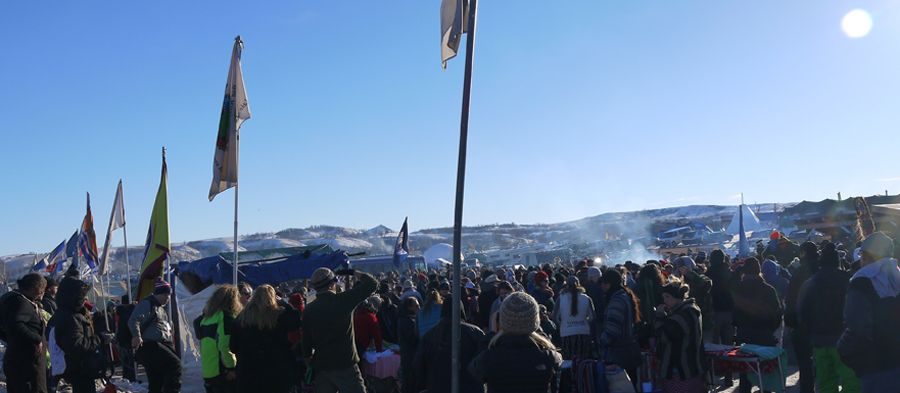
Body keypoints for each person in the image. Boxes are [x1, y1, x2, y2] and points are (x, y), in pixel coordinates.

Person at [837, 232, 900, 392]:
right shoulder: (896, 276)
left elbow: (858, 329)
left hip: (876, 366)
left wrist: (843, 349)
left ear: (864, 255)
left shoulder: (861, 281)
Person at [469, 292, 563, 393]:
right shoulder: (547, 356)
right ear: (535, 321)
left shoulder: (489, 357)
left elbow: (474, 369)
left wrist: (491, 334)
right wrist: (537, 329)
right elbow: (557, 358)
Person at [302, 268, 377, 393]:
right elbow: (372, 284)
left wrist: (310, 365)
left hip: (322, 366)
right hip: (346, 364)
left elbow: (306, 343)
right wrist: (353, 272)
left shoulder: (309, 310)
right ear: (332, 284)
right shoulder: (343, 300)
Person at [798, 246, 859, 393]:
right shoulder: (849, 282)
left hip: (819, 341)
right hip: (845, 340)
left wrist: (810, 334)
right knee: (851, 383)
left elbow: (803, 313)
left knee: (826, 383)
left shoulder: (811, 283)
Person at [231, 284, 301, 393]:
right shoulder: (278, 315)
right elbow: (296, 322)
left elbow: (233, 346)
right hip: (276, 370)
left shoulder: (242, 318)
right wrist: (285, 303)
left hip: (248, 371)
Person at [49, 275, 111, 393]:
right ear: (72, 297)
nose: (86, 298)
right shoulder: (70, 318)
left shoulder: (66, 314)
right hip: (79, 370)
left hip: (79, 370)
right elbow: (77, 345)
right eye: (82, 295)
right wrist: (100, 338)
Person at [731, 257, 782, 393]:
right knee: (766, 371)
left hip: (744, 334)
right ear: (759, 270)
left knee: (745, 372)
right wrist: (771, 329)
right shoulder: (769, 290)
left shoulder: (738, 288)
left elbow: (734, 314)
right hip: (764, 334)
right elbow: (777, 313)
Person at [413, 300, 485, 393]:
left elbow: (418, 366)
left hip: (438, 387)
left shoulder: (430, 335)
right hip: (470, 387)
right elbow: (485, 361)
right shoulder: (474, 332)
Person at [129, 278, 182, 393]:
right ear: (157, 294)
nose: (167, 298)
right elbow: (134, 320)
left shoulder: (161, 308)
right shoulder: (147, 304)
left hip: (157, 345)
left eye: (169, 295)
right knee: (175, 364)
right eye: (165, 295)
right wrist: (136, 335)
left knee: (156, 380)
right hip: (149, 345)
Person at [654, 281, 705, 393]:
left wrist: (659, 317)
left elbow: (664, 336)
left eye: (668, 297)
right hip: (688, 366)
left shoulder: (684, 314)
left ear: (677, 297)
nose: (665, 300)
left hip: (680, 366)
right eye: (664, 297)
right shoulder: (687, 310)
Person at [0, 273, 47, 393]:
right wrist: (36, 339)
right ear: (32, 288)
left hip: (14, 357)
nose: (42, 294)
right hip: (27, 362)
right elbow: (16, 324)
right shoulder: (22, 303)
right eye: (41, 290)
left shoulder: (8, 299)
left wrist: (10, 339)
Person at [597, 269, 642, 385]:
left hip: (617, 355)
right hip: (627, 352)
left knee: (619, 387)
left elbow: (612, 330)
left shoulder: (616, 301)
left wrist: (600, 341)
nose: (603, 286)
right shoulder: (624, 296)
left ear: (613, 283)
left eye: (606, 283)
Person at [786, 241, 818, 393]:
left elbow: (791, 298)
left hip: (803, 324)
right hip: (826, 323)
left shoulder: (799, 272)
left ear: (803, 253)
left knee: (805, 364)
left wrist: (791, 323)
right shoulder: (822, 269)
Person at [196, 285, 242, 393]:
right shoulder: (225, 316)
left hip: (208, 371)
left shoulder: (207, 318)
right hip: (222, 370)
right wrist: (232, 367)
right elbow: (224, 345)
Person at [552, 276, 594, 359]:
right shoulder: (586, 298)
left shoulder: (560, 298)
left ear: (566, 285)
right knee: (583, 361)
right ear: (578, 285)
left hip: (566, 332)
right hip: (583, 332)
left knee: (569, 361)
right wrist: (585, 323)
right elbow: (592, 317)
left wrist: (562, 326)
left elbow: (555, 318)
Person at [397, 296, 420, 393]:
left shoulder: (407, 319)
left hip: (409, 354)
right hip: (409, 355)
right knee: (410, 383)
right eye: (417, 306)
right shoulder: (407, 321)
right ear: (409, 307)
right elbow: (412, 339)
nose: (419, 308)